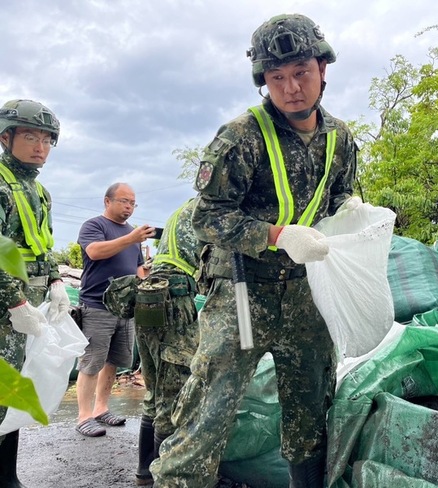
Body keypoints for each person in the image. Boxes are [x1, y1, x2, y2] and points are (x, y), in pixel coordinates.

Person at [150, 13, 358, 488]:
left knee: (310, 414)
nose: (291, 88)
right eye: (276, 77)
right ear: (263, 80)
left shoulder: (340, 138)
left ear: (323, 69)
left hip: (307, 293)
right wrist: (276, 235)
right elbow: (206, 217)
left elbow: (341, 196)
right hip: (243, 292)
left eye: (301, 73)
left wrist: (358, 212)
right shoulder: (240, 136)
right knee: (208, 413)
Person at [0, 98, 70, 488]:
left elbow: (39, 246)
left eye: (47, 139)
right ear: (5, 137)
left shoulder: (38, 191)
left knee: (11, 393)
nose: (40, 147)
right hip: (8, 307)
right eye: (30, 136)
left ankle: (8, 478)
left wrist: (57, 279)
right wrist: (14, 300)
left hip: (24, 310)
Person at [75, 182, 156, 438]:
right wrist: (131, 238)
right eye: (123, 201)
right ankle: (83, 416)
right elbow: (95, 252)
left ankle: (101, 408)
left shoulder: (133, 233)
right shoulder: (94, 226)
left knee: (114, 362)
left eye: (132, 203)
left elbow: (138, 268)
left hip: (125, 309)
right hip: (96, 305)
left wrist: (148, 277)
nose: (129, 207)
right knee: (91, 362)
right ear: (107, 201)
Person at [132, 198, 202, 486]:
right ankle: (165, 476)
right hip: (174, 298)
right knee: (171, 394)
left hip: (150, 296)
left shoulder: (182, 211)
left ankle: (145, 472)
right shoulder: (211, 209)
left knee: (155, 389)